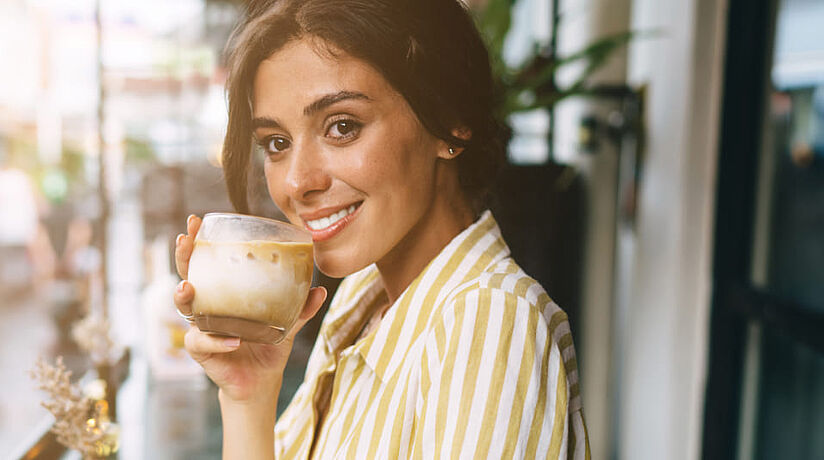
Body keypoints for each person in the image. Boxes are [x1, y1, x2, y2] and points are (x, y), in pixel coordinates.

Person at [171, 1, 588, 458]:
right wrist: (248, 394)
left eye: (342, 127)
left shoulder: (486, 322)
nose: (296, 182)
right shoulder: (363, 300)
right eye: (277, 143)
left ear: (451, 123)